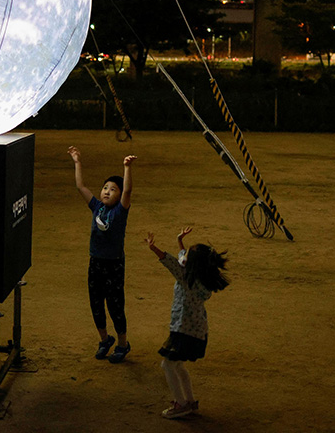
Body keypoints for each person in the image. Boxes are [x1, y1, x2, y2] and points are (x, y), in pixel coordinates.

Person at [145, 226, 229, 419]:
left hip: (183, 330)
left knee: (167, 365)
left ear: (192, 264)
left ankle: (181, 404)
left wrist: (153, 248)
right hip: (198, 331)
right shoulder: (200, 276)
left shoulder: (186, 277)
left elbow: (172, 262)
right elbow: (182, 258)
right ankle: (190, 402)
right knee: (178, 366)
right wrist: (179, 241)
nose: (185, 255)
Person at [68, 146, 136, 363]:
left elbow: (127, 191)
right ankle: (105, 339)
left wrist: (126, 168)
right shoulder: (96, 207)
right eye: (105, 187)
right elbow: (80, 186)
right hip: (95, 262)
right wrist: (77, 162)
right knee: (95, 303)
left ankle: (122, 344)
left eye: (112, 189)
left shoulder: (120, 211)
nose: (107, 191)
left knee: (115, 305)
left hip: (113, 265)